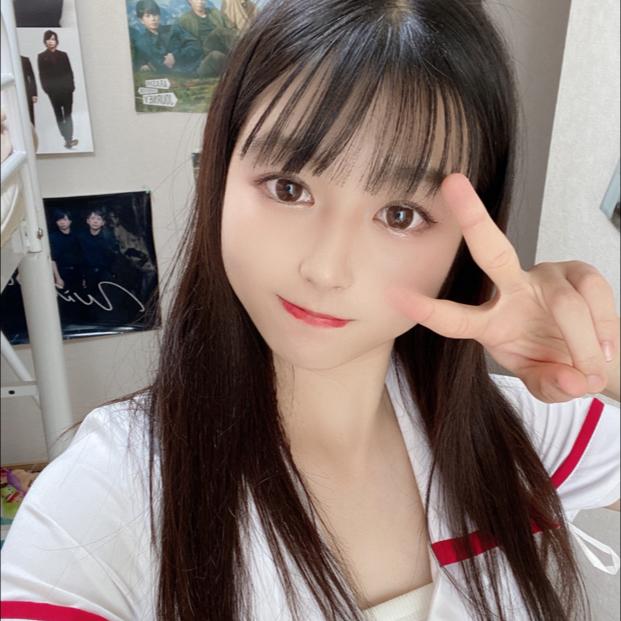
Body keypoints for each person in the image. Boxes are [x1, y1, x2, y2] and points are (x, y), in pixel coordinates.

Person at [1, 2, 620, 620]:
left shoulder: (517, 435)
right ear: (219, 175)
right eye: (289, 187)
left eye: (400, 214)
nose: (327, 269)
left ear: (464, 242)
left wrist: (606, 359)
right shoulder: (105, 499)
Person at [130, 0, 204, 76]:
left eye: (155, 14)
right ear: (141, 20)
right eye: (148, 16)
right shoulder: (140, 43)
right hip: (167, 77)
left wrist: (175, 56)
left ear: (159, 15)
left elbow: (196, 45)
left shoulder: (174, 29)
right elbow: (138, 66)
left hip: (192, 71)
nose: (153, 19)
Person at [37, 30, 78, 149]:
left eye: (53, 39)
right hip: (53, 92)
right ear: (45, 41)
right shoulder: (41, 57)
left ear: (56, 41)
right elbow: (42, 75)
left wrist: (71, 86)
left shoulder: (63, 55)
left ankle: (69, 139)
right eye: (48, 39)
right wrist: (47, 90)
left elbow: (69, 71)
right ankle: (66, 138)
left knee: (68, 114)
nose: (51, 41)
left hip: (67, 90)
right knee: (59, 115)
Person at [176, 0, 239, 78]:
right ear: (190, 1)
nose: (200, 2)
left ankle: (241, 61)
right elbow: (181, 41)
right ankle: (241, 55)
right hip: (203, 50)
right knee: (219, 31)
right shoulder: (184, 20)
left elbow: (231, 29)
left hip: (222, 49)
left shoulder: (215, 13)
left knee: (216, 55)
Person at [20, 56, 38, 127]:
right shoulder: (6, 62)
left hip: (27, 93)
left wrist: (34, 93)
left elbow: (31, 77)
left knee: (30, 117)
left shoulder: (25, 60)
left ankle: (32, 132)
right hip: (12, 95)